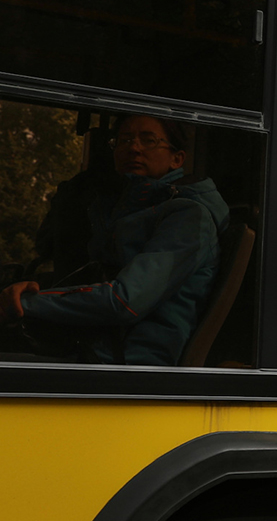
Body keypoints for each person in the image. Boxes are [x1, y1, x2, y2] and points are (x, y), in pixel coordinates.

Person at [0, 114, 229, 365]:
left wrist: (27, 303)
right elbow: (89, 277)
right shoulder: (120, 210)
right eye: (124, 140)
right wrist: (29, 288)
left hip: (128, 364)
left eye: (148, 140)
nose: (134, 147)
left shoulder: (189, 216)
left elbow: (124, 301)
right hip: (88, 347)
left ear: (177, 159)